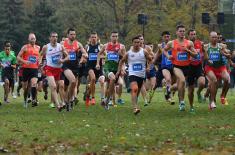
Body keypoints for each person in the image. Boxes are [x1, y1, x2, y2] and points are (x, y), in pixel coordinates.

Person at [163, 25, 197, 111]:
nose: (182, 33)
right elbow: (164, 50)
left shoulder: (189, 43)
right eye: (180, 31)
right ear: (177, 32)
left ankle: (168, 89)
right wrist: (168, 56)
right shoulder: (172, 43)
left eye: (183, 31)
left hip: (186, 66)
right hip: (176, 66)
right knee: (182, 81)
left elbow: (195, 55)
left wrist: (188, 51)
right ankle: (182, 102)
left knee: (180, 85)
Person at [117, 36, 151, 114]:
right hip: (132, 74)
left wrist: (148, 67)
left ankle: (135, 103)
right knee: (134, 89)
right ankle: (135, 108)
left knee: (136, 92)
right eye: (135, 42)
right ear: (132, 43)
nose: (136, 44)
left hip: (141, 75)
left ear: (140, 43)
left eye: (138, 42)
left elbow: (150, 60)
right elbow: (121, 61)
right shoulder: (129, 53)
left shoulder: (144, 51)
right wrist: (119, 70)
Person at [96, 31, 126, 109]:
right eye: (113, 36)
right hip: (107, 68)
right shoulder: (106, 46)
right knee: (112, 79)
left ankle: (106, 100)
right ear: (110, 37)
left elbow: (125, 58)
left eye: (116, 36)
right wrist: (98, 64)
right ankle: (107, 100)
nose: (114, 38)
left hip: (117, 69)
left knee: (117, 84)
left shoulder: (122, 46)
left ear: (118, 37)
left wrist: (123, 68)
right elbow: (99, 54)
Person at [40, 32, 69, 111]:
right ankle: (58, 105)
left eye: (56, 36)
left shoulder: (61, 47)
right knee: (53, 87)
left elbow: (68, 57)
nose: (55, 38)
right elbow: (41, 55)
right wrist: (40, 62)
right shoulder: (46, 47)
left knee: (59, 87)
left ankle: (62, 102)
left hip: (58, 70)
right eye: (53, 37)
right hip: (49, 69)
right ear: (50, 38)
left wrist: (62, 60)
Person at [62, 28, 87, 111]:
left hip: (75, 67)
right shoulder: (63, 43)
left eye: (74, 34)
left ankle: (69, 101)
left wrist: (84, 56)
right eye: (71, 34)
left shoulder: (78, 44)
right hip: (66, 66)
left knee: (71, 85)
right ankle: (68, 101)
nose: (73, 36)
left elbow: (84, 53)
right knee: (72, 82)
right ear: (68, 35)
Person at [204, 31, 231, 109]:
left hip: (220, 67)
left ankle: (222, 96)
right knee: (214, 82)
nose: (215, 39)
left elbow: (228, 55)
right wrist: (208, 60)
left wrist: (226, 54)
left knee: (227, 79)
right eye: (213, 37)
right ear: (209, 37)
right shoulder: (206, 46)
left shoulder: (222, 46)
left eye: (216, 37)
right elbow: (204, 58)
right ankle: (212, 101)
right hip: (210, 67)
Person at [17, 33, 40, 107]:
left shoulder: (38, 47)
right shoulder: (25, 47)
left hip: (34, 69)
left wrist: (40, 62)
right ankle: (25, 100)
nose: (33, 40)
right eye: (31, 38)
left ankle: (33, 100)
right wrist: (25, 61)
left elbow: (39, 57)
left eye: (34, 38)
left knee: (34, 84)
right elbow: (18, 57)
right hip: (25, 69)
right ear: (28, 39)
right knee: (25, 88)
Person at [155, 31, 176, 104]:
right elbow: (156, 55)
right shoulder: (161, 46)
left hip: (173, 66)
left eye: (168, 36)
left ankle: (168, 94)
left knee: (173, 84)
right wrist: (152, 63)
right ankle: (171, 98)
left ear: (170, 37)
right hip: (165, 67)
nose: (167, 38)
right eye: (165, 36)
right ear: (162, 38)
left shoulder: (174, 44)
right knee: (168, 80)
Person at [187, 29, 206, 111]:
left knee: (202, 83)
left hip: (198, 66)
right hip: (189, 67)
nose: (193, 35)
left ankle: (198, 93)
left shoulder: (200, 43)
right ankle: (191, 106)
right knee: (190, 90)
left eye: (194, 34)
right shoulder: (185, 43)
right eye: (191, 34)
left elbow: (202, 56)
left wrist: (202, 65)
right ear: (188, 35)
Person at [84, 32, 105, 106]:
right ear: (90, 38)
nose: (93, 39)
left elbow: (105, 55)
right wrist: (84, 58)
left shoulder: (100, 46)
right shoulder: (87, 47)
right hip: (90, 67)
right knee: (93, 79)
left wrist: (99, 58)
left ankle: (87, 96)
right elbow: (84, 55)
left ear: (97, 38)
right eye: (92, 37)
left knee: (101, 81)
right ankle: (93, 98)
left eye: (95, 37)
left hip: (99, 67)